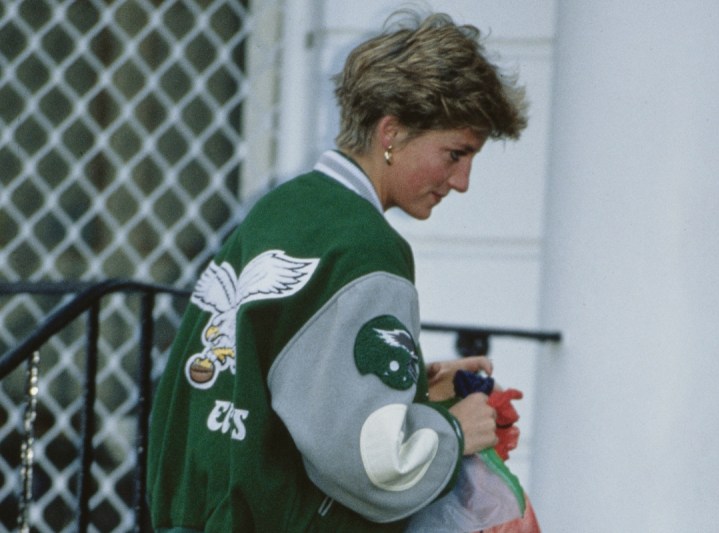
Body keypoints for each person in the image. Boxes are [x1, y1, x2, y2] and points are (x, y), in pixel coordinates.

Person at [147, 9, 527, 532]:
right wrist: (457, 430)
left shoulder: (286, 210)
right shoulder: (365, 247)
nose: (461, 181)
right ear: (390, 132)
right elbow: (372, 464)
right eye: (455, 153)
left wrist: (416, 387)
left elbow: (286, 387)